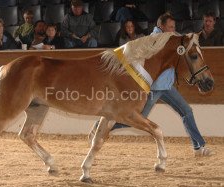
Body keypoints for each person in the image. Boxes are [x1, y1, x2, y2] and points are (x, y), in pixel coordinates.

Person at [91, 12, 212, 157]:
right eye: (170, 27)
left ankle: (198, 146)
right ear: (161, 26)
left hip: (166, 87)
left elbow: (184, 45)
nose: (173, 30)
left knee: (186, 111)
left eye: (174, 27)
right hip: (152, 88)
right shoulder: (153, 41)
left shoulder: (170, 39)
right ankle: (100, 125)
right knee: (133, 119)